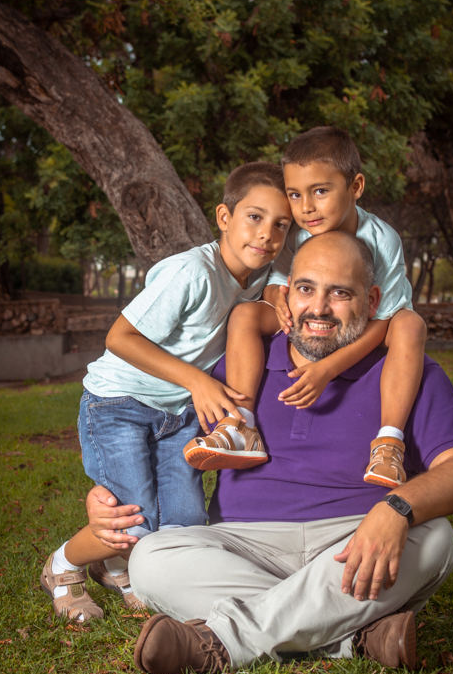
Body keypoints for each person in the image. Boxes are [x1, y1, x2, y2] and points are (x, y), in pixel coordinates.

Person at [87, 231, 453, 674]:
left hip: (353, 543)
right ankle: (349, 636)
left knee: (435, 539)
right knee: (151, 558)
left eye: (340, 293)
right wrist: (107, 498)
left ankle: (222, 642)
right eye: (305, 289)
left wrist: (396, 508)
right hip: (244, 543)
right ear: (284, 295)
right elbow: (165, 441)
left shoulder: (407, 369)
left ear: (372, 300)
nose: (318, 308)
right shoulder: (241, 363)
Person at [39, 162, 292, 622]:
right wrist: (198, 380)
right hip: (119, 405)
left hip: (177, 415)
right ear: (224, 217)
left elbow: (279, 286)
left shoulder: (262, 273)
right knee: (136, 520)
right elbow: (119, 338)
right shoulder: (189, 272)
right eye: (254, 217)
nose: (266, 234)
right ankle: (65, 564)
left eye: (280, 225)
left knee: (186, 527)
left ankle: (117, 568)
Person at [183, 127, 427, 490]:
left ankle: (389, 443)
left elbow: (384, 318)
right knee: (246, 314)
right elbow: (276, 285)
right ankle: (241, 425)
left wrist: (328, 368)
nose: (306, 207)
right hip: (310, 317)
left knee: (411, 325)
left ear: (356, 187)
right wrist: (278, 301)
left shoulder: (381, 238)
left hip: (372, 323)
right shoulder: (296, 233)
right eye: (295, 194)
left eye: (320, 191)